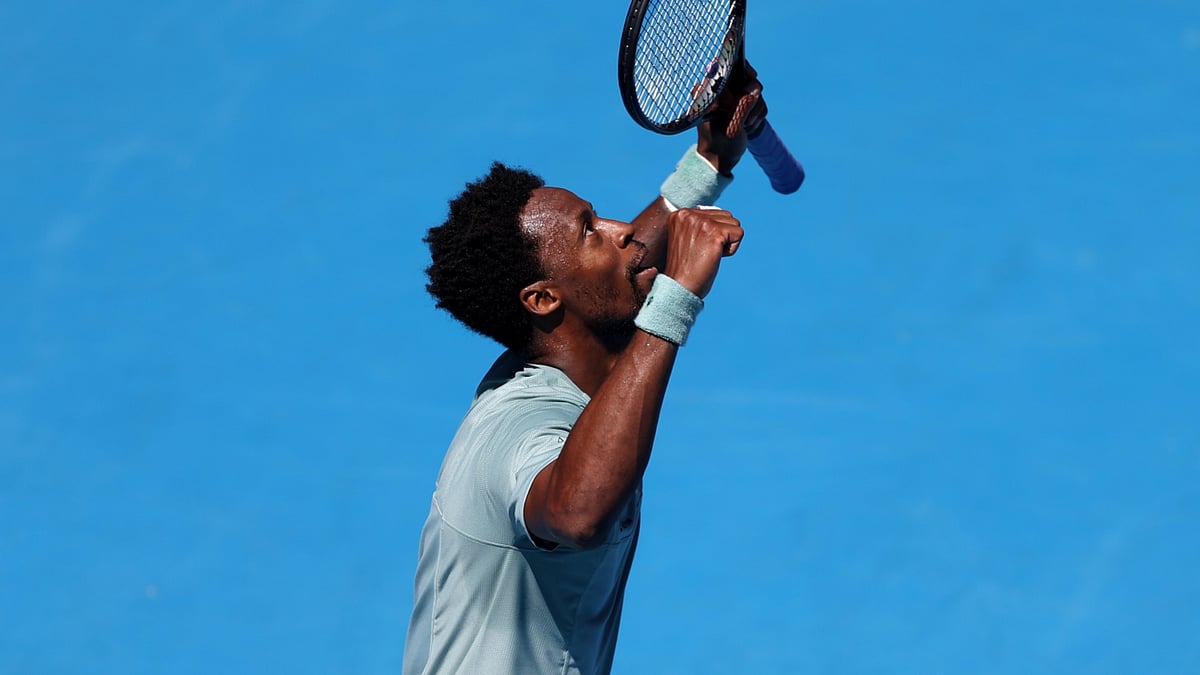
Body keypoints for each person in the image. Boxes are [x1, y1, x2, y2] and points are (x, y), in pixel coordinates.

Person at [404, 72, 769, 675]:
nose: (622, 230)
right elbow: (578, 515)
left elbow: (618, 272)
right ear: (543, 299)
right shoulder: (518, 430)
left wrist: (708, 161)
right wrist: (677, 297)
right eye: (590, 232)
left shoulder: (566, 345)